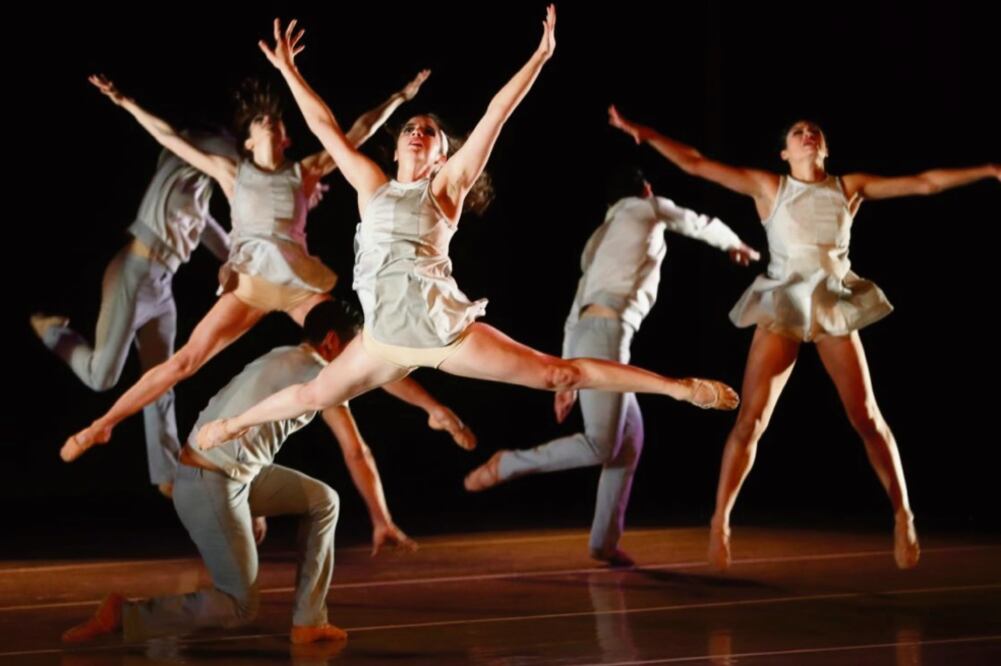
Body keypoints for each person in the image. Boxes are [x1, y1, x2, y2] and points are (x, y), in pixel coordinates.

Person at [608, 105, 999, 570]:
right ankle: (720, 521)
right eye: (798, 131)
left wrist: (989, 169)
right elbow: (696, 163)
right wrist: (647, 132)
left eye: (814, 130)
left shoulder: (847, 188)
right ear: (785, 151)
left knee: (868, 417)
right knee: (751, 420)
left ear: (824, 148)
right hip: (784, 304)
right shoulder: (770, 186)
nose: (808, 133)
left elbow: (925, 182)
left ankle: (903, 514)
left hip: (832, 303)